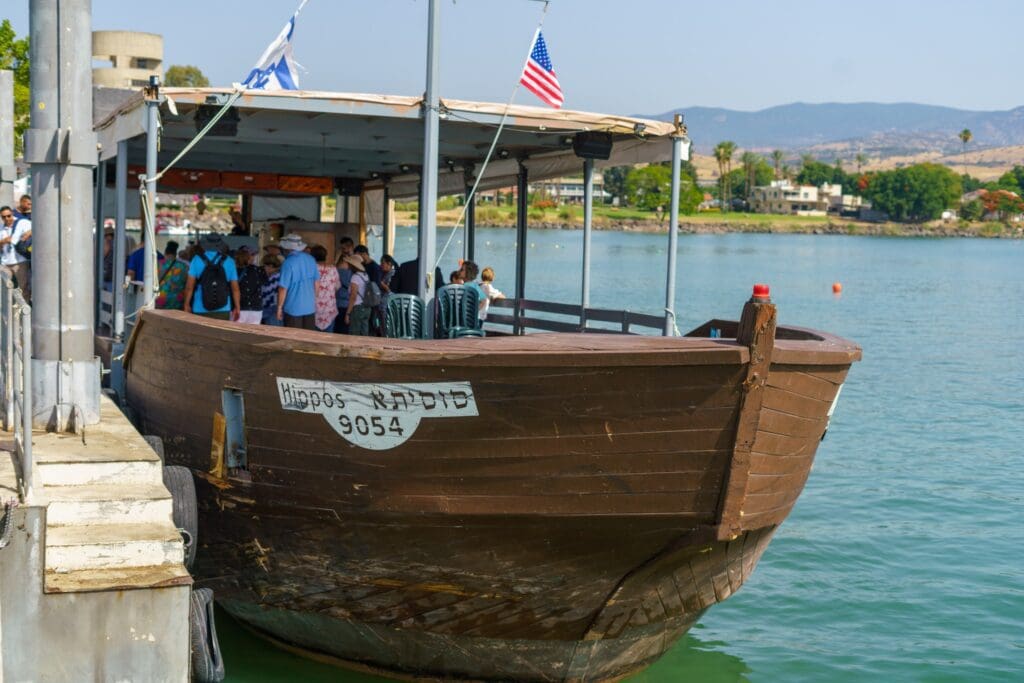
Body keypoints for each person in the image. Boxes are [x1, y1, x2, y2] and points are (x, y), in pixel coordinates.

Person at [183, 233, 240, 320]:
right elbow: (235, 289)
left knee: (200, 333)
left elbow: (189, 287)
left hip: (200, 308)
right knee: (220, 333)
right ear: (220, 245)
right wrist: (237, 307)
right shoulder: (229, 261)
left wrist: (186, 304)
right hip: (223, 308)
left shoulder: (196, 259)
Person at [276, 233, 320, 329]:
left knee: (292, 340)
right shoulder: (311, 259)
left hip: (293, 308)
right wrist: (313, 299)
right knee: (307, 339)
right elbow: (316, 283)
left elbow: (283, 288)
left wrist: (279, 307)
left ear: (287, 248)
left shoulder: (287, 263)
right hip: (309, 308)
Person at [0, 206, 31, 301]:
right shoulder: (1, 228)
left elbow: (36, 227)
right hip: (5, 263)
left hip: (20, 262)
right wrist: (4, 241)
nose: (7, 219)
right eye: (4, 217)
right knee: (4, 288)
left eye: (8, 216)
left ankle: (23, 311)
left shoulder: (22, 223)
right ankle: (8, 310)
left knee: (23, 288)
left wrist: (26, 235)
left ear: (12, 214)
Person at [310, 245, 341, 331]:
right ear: (325, 256)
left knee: (313, 339)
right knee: (328, 339)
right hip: (329, 309)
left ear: (312, 256)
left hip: (313, 308)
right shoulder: (333, 269)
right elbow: (337, 286)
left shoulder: (310, 269)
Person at [155, 240, 189, 310]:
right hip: (177, 302)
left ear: (165, 253)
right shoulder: (184, 266)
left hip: (160, 300)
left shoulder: (158, 264)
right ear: (175, 254)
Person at [234, 246, 265, 324]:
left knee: (237, 334)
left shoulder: (233, 270)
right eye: (253, 255)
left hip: (239, 308)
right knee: (253, 334)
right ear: (247, 256)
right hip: (256, 309)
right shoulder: (259, 270)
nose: (254, 257)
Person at [343, 254, 371, 336]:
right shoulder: (366, 275)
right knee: (364, 334)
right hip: (366, 308)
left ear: (352, 265)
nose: (348, 265)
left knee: (354, 335)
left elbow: (353, 296)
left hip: (357, 309)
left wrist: (347, 313)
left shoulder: (355, 277)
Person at [333, 236, 355, 333]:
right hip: (343, 301)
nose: (342, 251)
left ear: (350, 247)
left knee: (340, 330)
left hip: (344, 301)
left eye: (343, 248)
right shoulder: (354, 262)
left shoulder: (345, 264)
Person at [261, 253, 284, 326]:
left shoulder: (273, 278)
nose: (263, 268)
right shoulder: (281, 275)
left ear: (270, 266)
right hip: (280, 308)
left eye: (264, 265)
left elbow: (265, 293)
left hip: (271, 309)